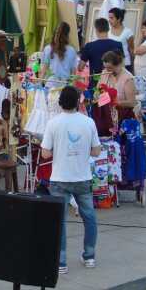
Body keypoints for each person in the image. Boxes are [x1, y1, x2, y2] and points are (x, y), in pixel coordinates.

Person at [41, 85, 101, 274]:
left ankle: (61, 261)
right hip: (82, 177)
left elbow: (45, 154)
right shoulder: (88, 122)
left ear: (60, 103)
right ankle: (89, 255)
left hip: (59, 178)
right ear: (78, 101)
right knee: (89, 217)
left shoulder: (53, 123)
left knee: (60, 220)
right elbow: (96, 150)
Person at [79, 18, 123, 83]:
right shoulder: (118, 44)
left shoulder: (89, 46)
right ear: (108, 29)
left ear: (96, 30)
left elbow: (80, 67)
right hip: (114, 84)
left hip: (95, 85)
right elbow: (122, 66)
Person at [100, 51, 139, 123]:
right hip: (107, 113)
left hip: (123, 115)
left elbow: (132, 102)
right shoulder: (105, 73)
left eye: (110, 68)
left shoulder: (127, 78)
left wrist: (115, 103)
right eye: (105, 67)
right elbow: (98, 91)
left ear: (119, 65)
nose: (107, 70)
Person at [39, 22, 78, 88]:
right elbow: (73, 74)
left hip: (49, 86)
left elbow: (43, 71)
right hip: (64, 88)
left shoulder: (48, 48)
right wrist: (73, 90)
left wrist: (39, 85)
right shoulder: (72, 51)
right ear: (67, 35)